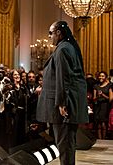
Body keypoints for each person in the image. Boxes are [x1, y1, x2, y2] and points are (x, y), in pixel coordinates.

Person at [36, 21, 89, 165]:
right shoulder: (69, 46)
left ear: (58, 33)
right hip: (69, 102)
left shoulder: (63, 49)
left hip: (63, 107)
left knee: (65, 146)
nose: (49, 36)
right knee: (67, 145)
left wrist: (62, 103)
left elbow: (63, 77)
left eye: (51, 33)